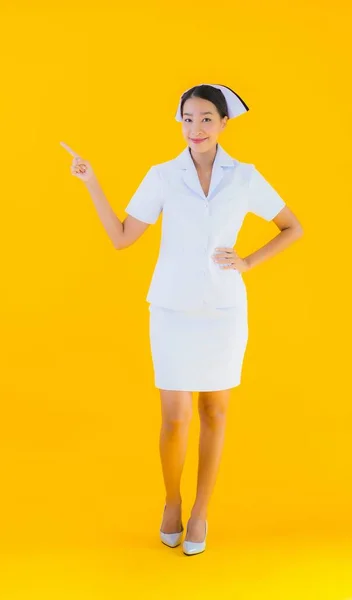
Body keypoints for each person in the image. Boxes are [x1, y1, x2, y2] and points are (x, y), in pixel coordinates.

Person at [60, 83, 304, 556]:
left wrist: (248, 262)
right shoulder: (163, 175)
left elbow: (292, 227)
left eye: (206, 119)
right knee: (175, 419)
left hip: (223, 312)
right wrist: (91, 182)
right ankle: (172, 500)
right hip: (172, 310)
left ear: (224, 123)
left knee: (215, 411)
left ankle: (200, 512)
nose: (196, 128)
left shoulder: (245, 176)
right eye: (188, 119)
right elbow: (122, 237)